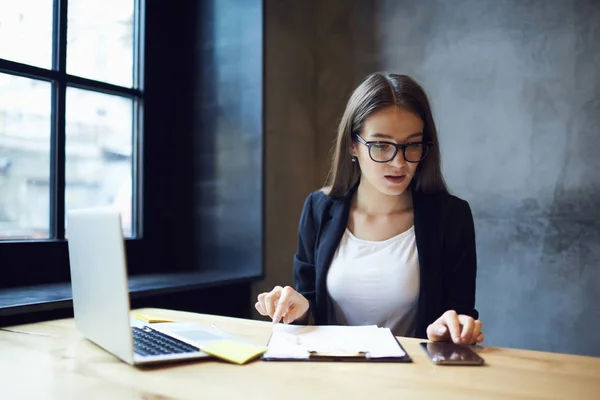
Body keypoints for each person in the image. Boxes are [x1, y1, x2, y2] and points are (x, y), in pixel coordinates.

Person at [256, 72, 484, 345]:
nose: (399, 163)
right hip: (333, 373)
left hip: (414, 378)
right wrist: (298, 309)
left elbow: (460, 316)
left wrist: (449, 330)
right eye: (381, 145)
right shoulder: (319, 209)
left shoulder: (451, 217)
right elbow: (311, 311)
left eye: (412, 145)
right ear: (353, 145)